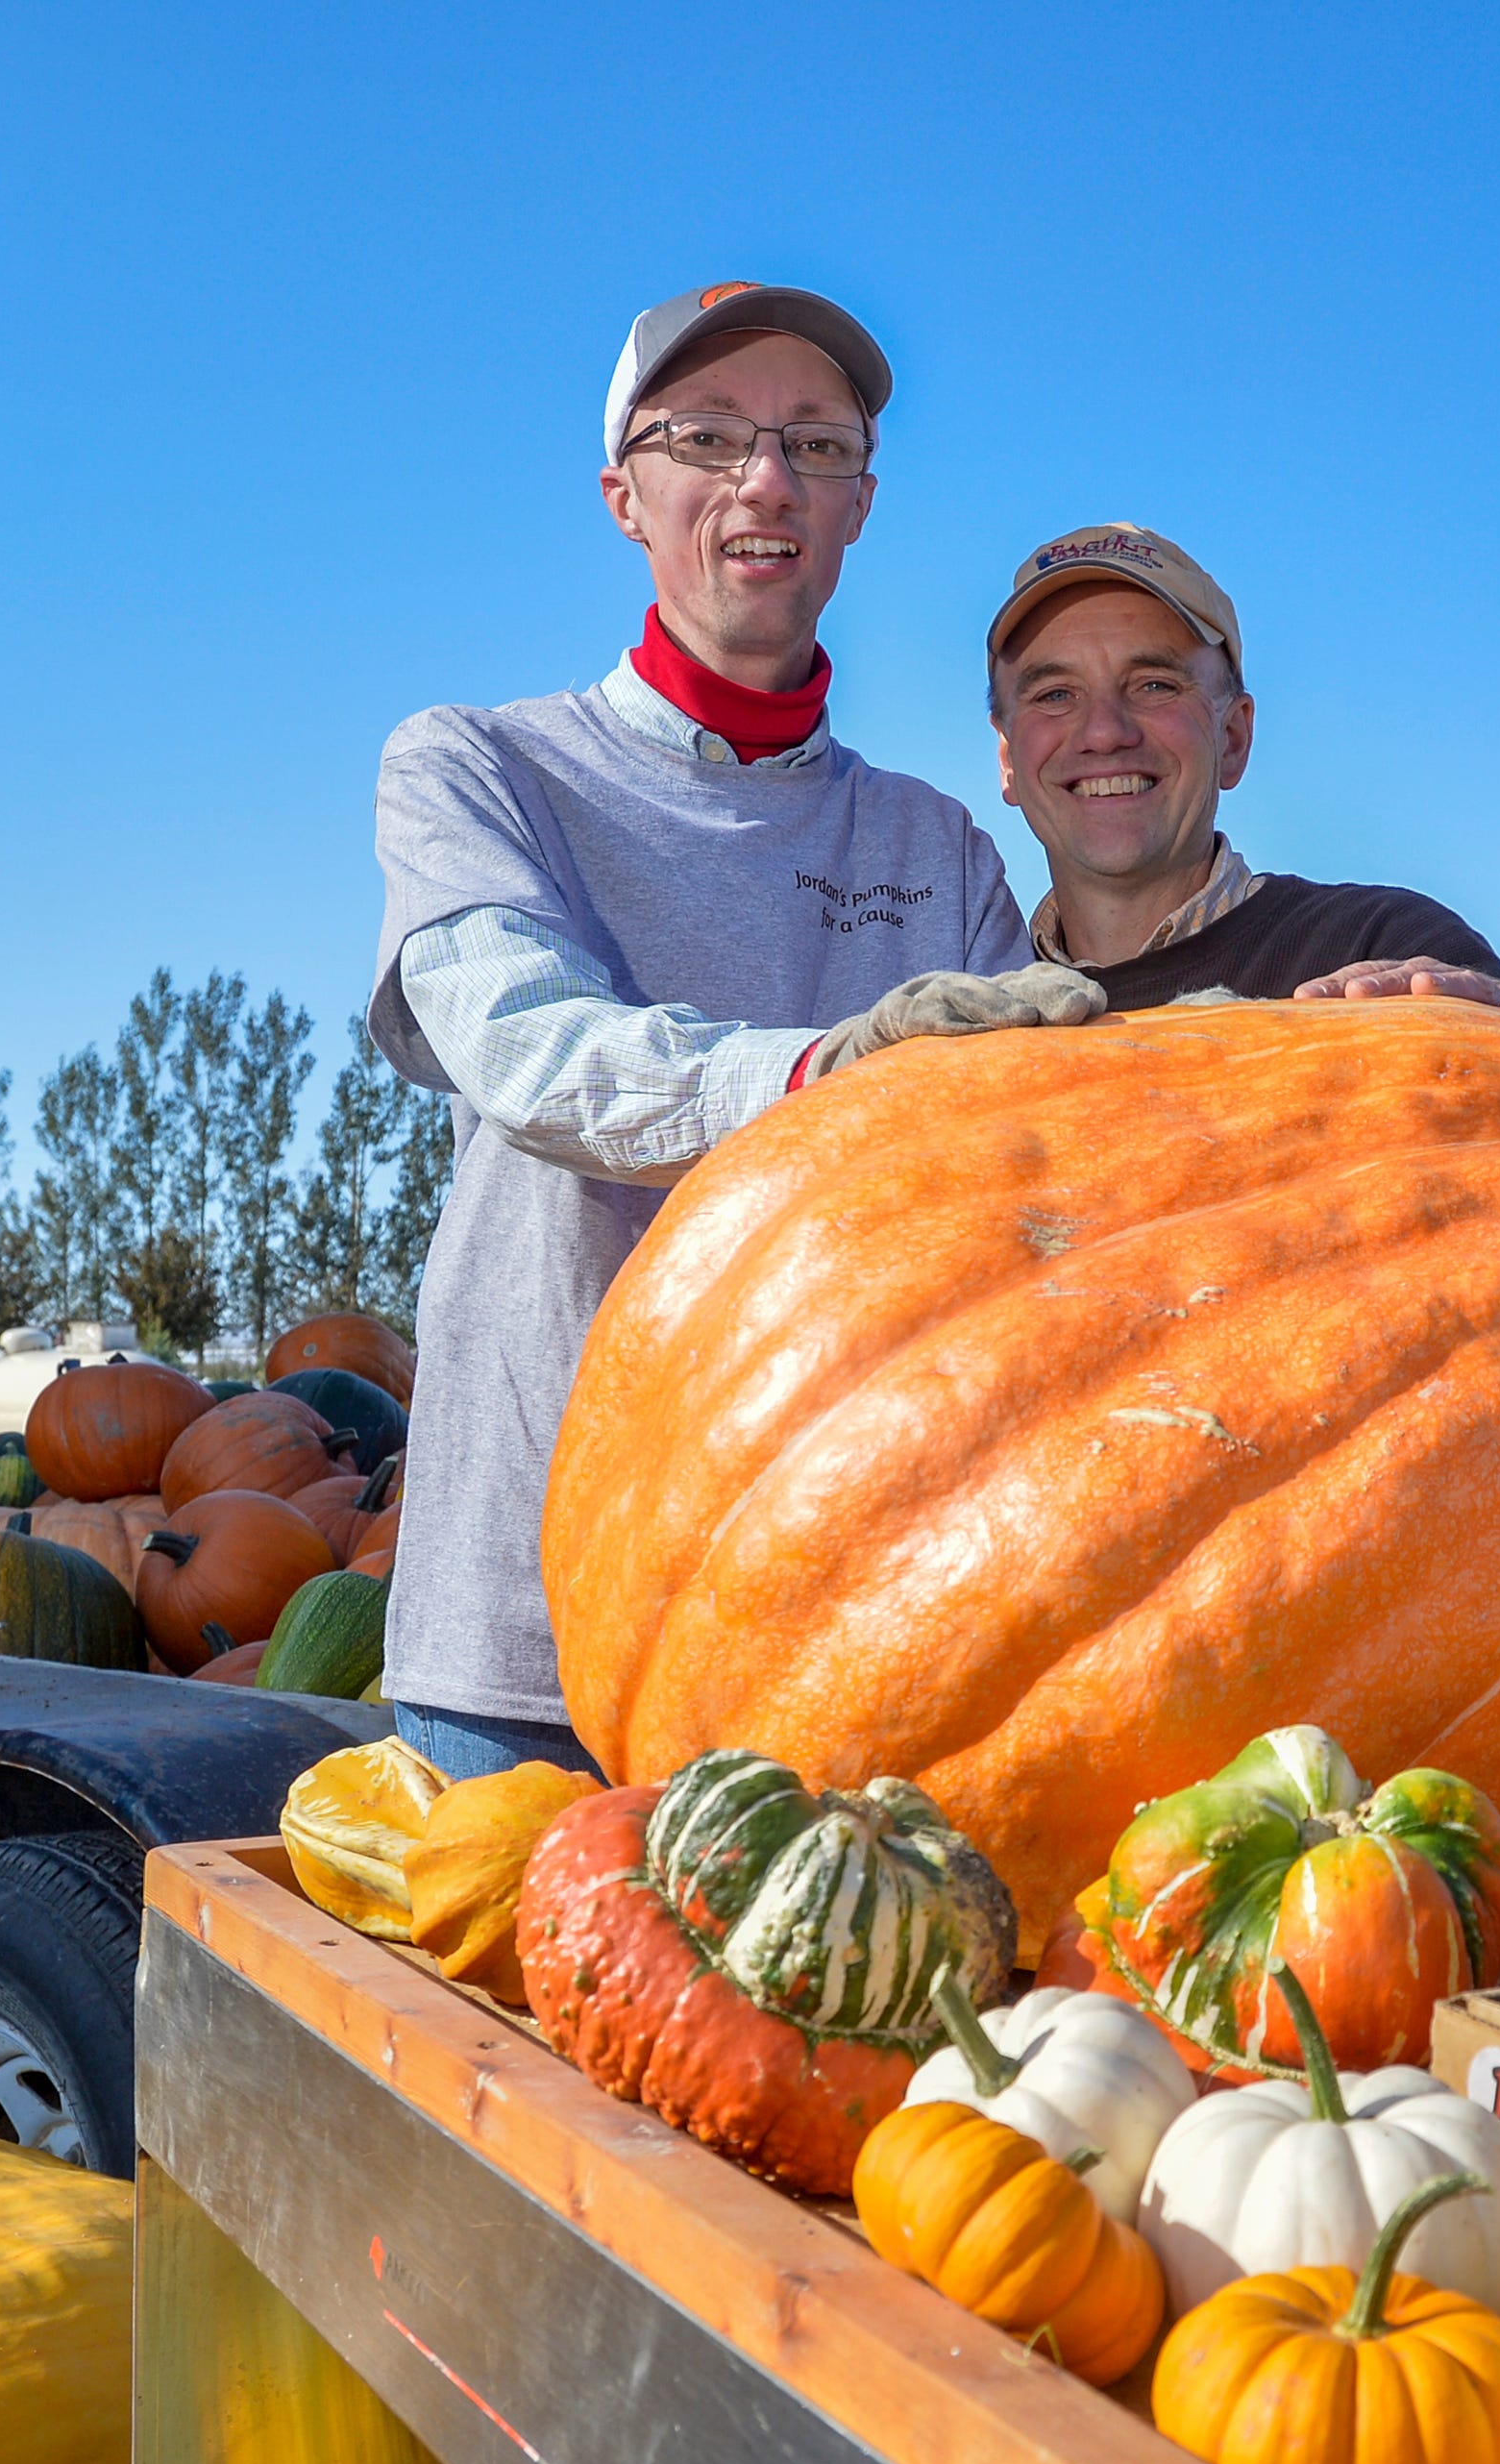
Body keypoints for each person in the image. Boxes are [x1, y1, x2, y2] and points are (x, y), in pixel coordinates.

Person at [368, 283, 1101, 1777]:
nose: (764, 480)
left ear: (858, 508)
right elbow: (530, 1055)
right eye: (707, 437)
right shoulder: (478, 769)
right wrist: (829, 1069)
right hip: (521, 1650)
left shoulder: (943, 845)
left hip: (835, 1649)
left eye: (813, 446)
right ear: (623, 494)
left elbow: (1015, 1199)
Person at [986, 525, 1500, 1051]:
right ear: (1009, 759)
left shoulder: (1373, 946)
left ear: (1232, 737)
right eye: (1055, 695)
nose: (1104, 731)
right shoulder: (974, 1012)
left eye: (1154, 685)